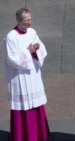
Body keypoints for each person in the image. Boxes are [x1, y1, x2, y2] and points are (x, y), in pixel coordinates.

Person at [1, 8, 50, 141]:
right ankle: (21, 136)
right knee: (22, 106)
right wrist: (28, 51)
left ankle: (39, 134)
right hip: (20, 78)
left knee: (36, 104)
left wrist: (36, 51)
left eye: (30, 19)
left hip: (32, 76)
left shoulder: (32, 32)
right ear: (18, 20)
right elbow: (12, 59)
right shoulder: (11, 37)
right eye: (27, 20)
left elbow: (42, 49)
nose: (29, 22)